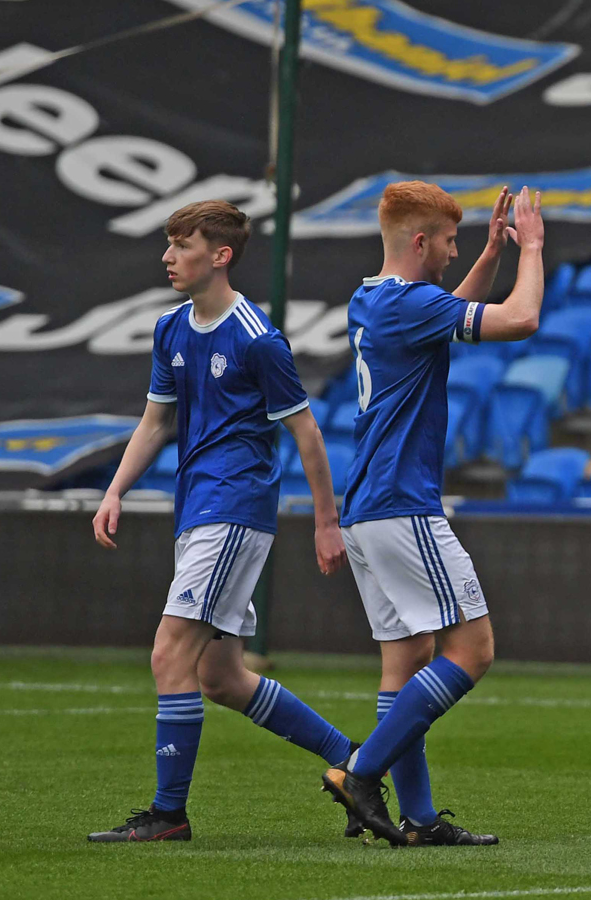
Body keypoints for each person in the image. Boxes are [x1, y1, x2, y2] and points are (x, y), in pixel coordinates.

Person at [88, 201, 354, 842]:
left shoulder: (257, 339)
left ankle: (168, 816)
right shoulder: (171, 328)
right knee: (222, 678)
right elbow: (157, 420)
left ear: (221, 255)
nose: (168, 257)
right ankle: (355, 762)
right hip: (198, 509)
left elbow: (306, 430)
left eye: (181, 245)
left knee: (168, 652)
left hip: (234, 509)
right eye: (170, 245)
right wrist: (115, 490)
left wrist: (325, 519)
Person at [319, 182, 546, 846]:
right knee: (472, 650)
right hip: (401, 503)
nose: (453, 250)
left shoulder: (372, 296)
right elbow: (521, 319)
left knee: (408, 659)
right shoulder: (411, 304)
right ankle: (362, 772)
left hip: (366, 506)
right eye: (447, 241)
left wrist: (490, 254)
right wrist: (530, 248)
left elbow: (448, 305)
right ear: (420, 242)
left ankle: (418, 822)